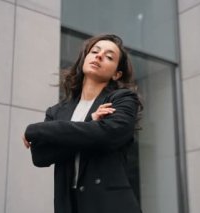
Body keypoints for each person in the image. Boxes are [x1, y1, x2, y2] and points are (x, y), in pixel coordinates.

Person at [22, 34, 142, 213]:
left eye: (109, 57)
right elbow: (40, 155)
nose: (99, 56)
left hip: (110, 205)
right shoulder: (57, 111)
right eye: (94, 51)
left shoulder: (123, 99)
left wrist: (35, 129)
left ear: (117, 74)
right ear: (84, 59)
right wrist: (91, 123)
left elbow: (107, 135)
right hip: (69, 205)